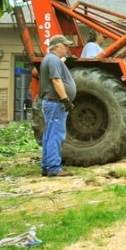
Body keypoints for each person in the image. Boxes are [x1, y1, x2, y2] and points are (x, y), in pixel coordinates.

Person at [39, 34, 77, 177]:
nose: (67, 48)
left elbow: (58, 61)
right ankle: (54, 168)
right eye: (65, 45)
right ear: (57, 46)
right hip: (56, 103)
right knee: (56, 135)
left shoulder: (50, 59)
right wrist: (66, 99)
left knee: (49, 135)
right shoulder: (53, 60)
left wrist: (65, 60)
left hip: (51, 103)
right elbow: (56, 80)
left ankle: (46, 166)